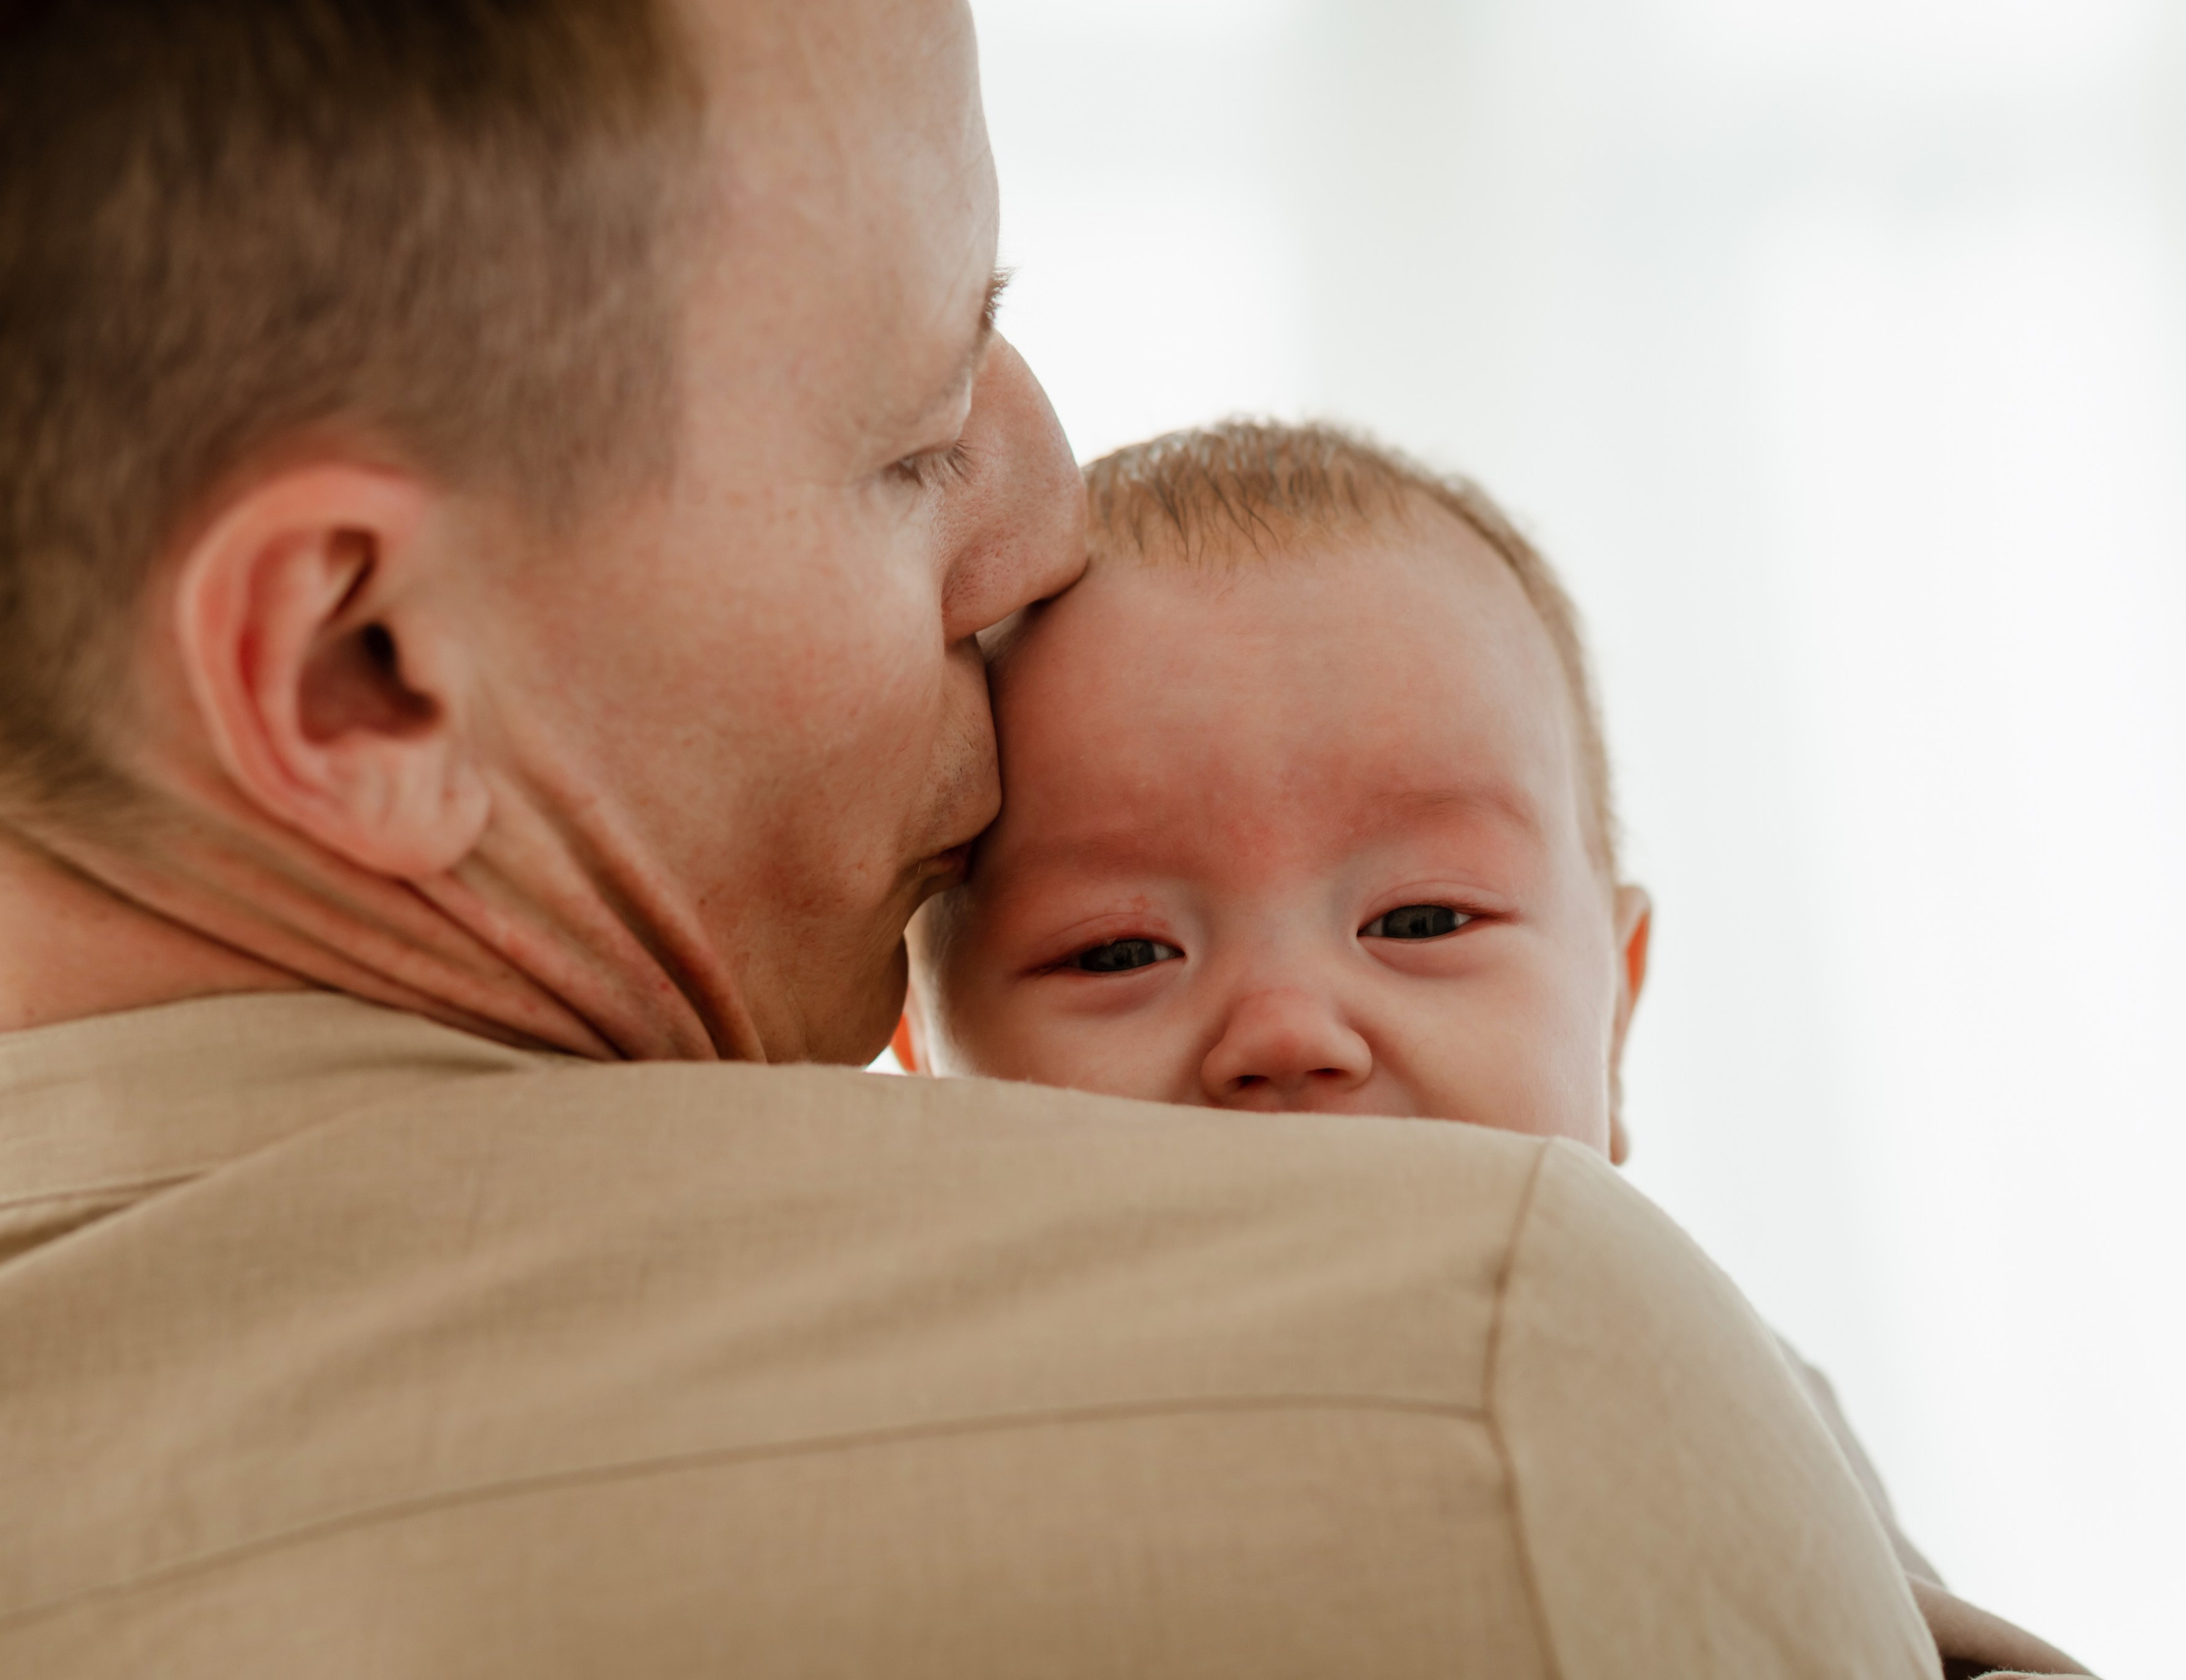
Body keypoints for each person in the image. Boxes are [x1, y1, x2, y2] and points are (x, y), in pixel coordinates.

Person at [0, 0, 1942, 1674]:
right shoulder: (1495, 1382)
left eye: (1422, 913)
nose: (1040, 529)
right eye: (918, 441)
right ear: (362, 666)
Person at [894, 420, 2089, 1678]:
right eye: (1120, 953)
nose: (1287, 1031)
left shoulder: (1688, 1376)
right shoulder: (896, 1431)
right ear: (923, 1068)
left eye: (1419, 921)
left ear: (1612, 1020)